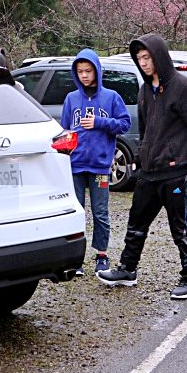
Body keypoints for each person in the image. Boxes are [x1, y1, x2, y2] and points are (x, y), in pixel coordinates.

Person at [97, 33, 187, 300]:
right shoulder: (145, 89)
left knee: (180, 227)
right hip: (149, 171)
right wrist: (139, 156)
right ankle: (128, 269)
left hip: (175, 171)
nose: (144, 63)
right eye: (139, 59)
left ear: (159, 56)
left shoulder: (183, 87)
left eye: (147, 57)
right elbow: (146, 128)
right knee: (136, 222)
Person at [62, 49, 131, 276]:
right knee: (77, 212)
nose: (84, 75)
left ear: (97, 71)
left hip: (101, 165)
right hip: (76, 165)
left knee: (100, 211)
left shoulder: (111, 97)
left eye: (88, 71)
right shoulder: (71, 99)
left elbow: (124, 124)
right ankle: (76, 258)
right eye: (80, 71)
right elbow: (65, 131)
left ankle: (101, 254)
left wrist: (100, 122)